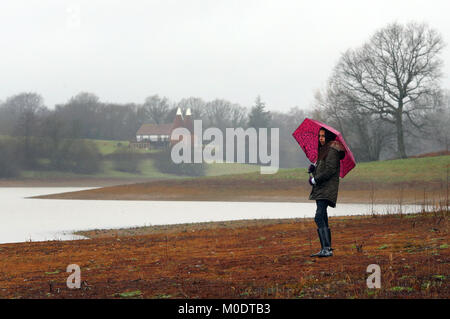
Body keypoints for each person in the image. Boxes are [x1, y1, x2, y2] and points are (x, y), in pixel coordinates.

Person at [308, 127, 346, 257]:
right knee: (323, 216)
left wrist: (315, 180)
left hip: (326, 188)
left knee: (318, 217)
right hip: (321, 188)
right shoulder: (324, 151)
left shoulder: (332, 151)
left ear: (329, 137)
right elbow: (322, 169)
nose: (320, 138)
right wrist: (313, 169)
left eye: (323, 136)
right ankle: (326, 248)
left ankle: (326, 248)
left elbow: (330, 170)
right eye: (319, 136)